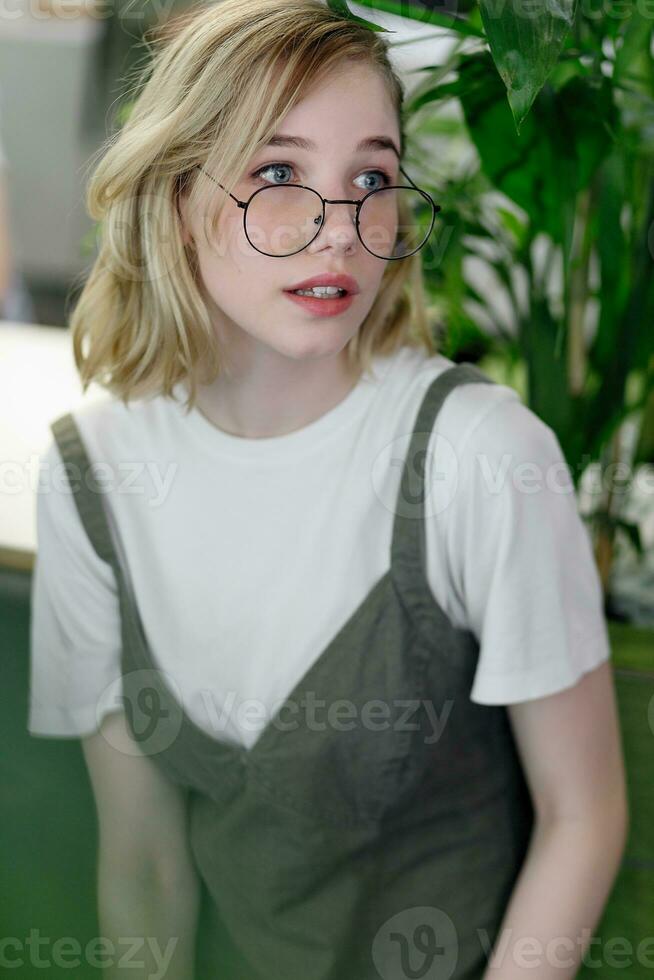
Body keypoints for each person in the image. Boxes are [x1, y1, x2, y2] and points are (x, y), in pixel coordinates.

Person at [28, 1, 629, 978]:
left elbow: (584, 814)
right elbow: (142, 864)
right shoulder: (89, 475)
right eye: (277, 173)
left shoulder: (483, 456)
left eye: (373, 178)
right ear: (176, 198)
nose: (339, 229)